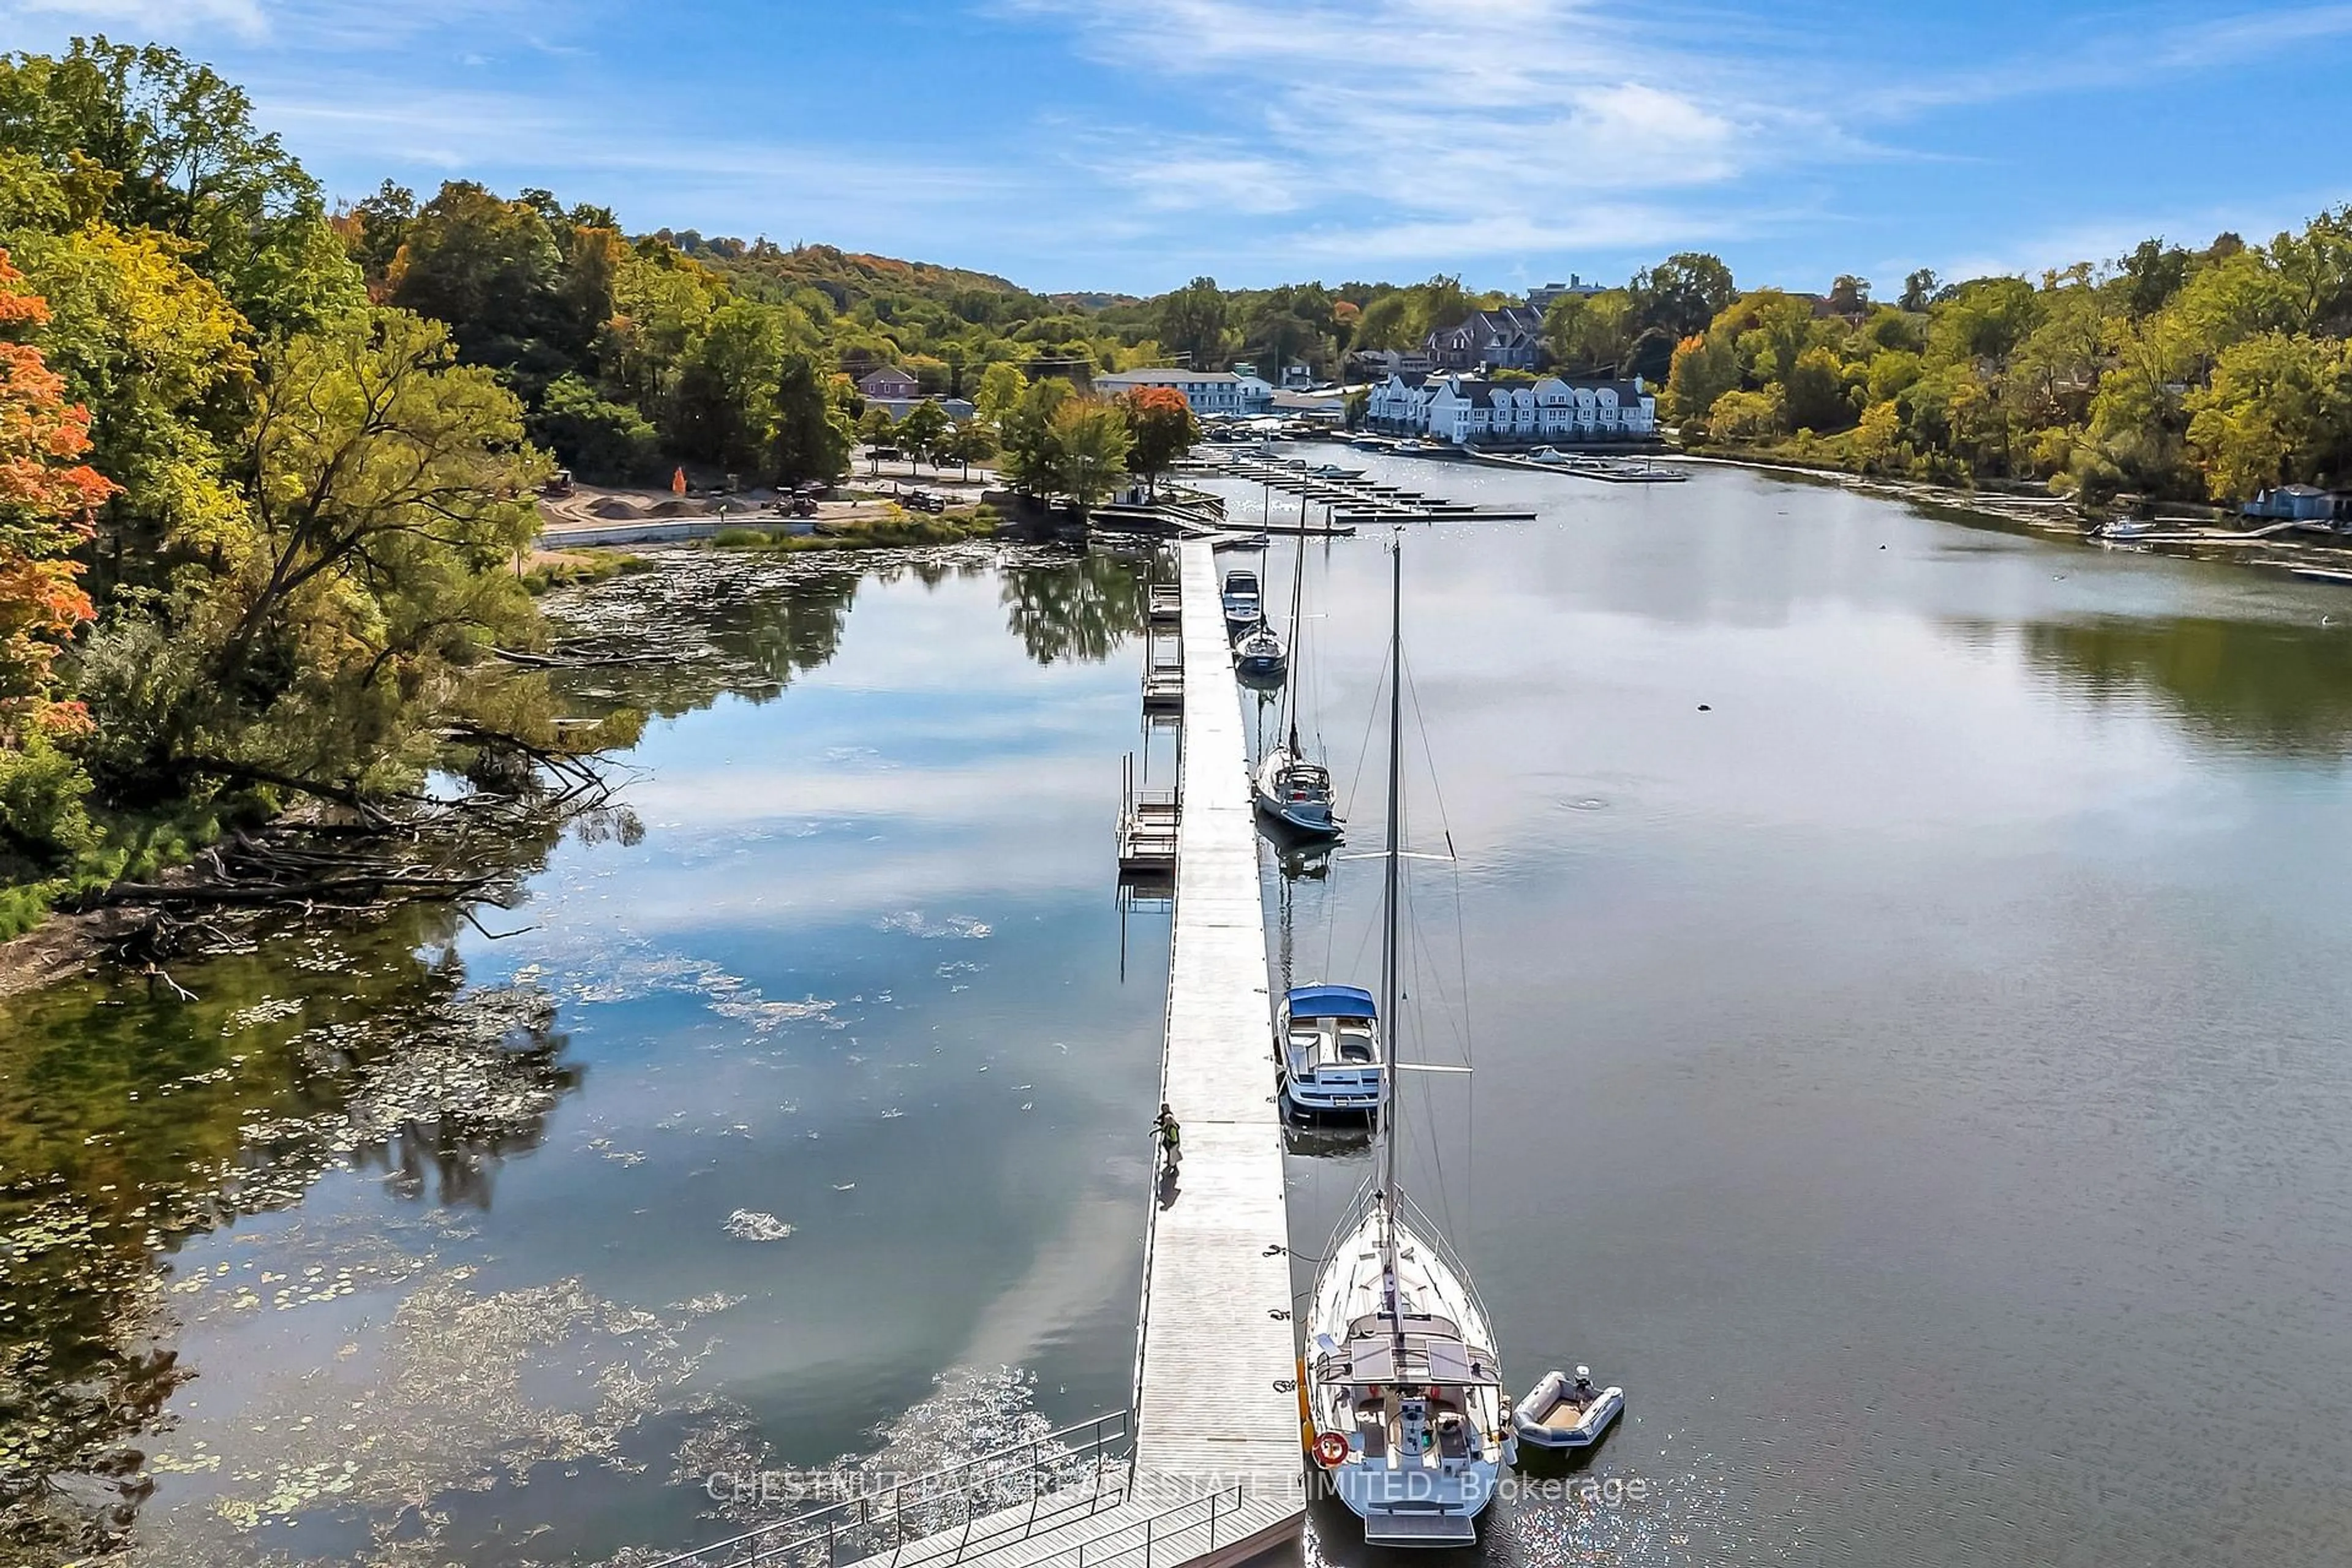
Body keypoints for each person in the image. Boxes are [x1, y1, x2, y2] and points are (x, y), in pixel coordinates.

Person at [1153, 1102, 1182, 1166]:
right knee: (1165, 1145)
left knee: (1171, 1151)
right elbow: (1163, 1123)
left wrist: (1169, 1137)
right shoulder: (1164, 1116)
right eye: (1164, 1109)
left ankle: (1172, 1163)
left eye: (1166, 1108)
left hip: (1172, 1140)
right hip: (1168, 1136)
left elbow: (1174, 1138)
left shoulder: (1169, 1117)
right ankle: (1170, 1160)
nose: (1165, 1110)